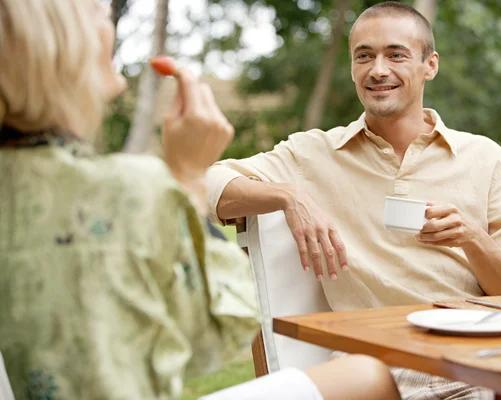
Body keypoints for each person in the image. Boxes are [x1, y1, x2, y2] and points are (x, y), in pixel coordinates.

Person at [0, 1, 402, 400]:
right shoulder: (117, 190)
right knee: (369, 376)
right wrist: (189, 176)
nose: (114, 33)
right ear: (61, 45)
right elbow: (218, 334)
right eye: (103, 18)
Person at [205, 1, 501, 399]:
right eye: (364, 56)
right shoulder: (315, 154)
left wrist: (471, 238)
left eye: (396, 54)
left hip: (480, 354)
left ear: (429, 65)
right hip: (377, 363)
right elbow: (206, 183)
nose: (378, 70)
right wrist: (289, 195)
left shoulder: (488, 159)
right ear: (352, 69)